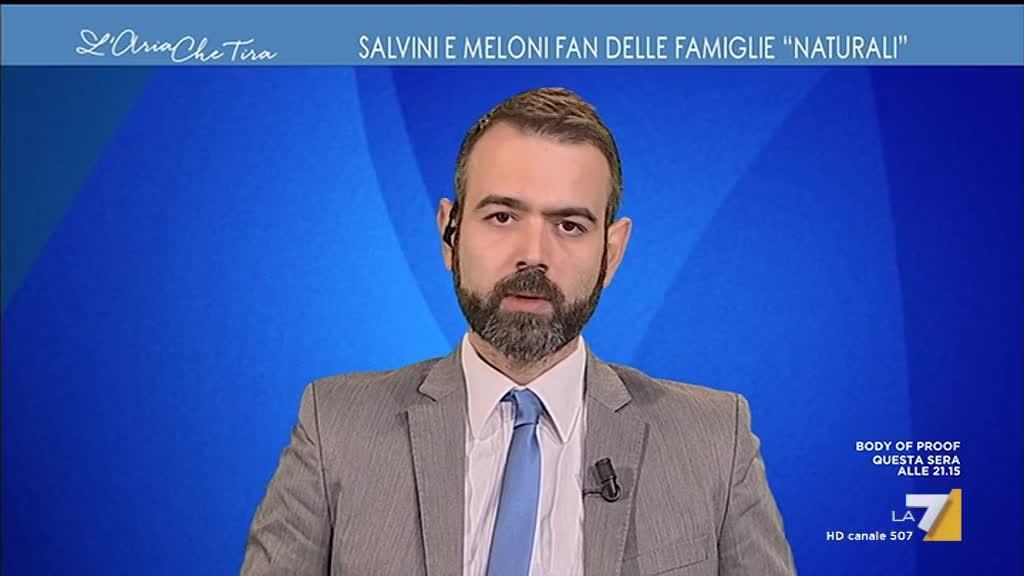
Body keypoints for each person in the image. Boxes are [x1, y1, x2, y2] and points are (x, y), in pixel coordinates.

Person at [241, 87, 796, 576]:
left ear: (612, 251)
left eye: (569, 225)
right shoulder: (335, 427)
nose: (533, 254)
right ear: (450, 233)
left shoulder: (714, 441)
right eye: (502, 217)